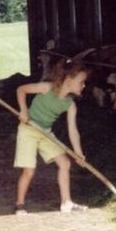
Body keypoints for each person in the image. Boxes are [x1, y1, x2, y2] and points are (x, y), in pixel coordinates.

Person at [14, 58, 90, 215]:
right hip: (28, 130)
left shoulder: (70, 104)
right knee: (29, 170)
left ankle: (66, 203)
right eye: (81, 82)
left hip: (46, 132)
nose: (84, 85)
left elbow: (72, 129)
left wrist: (78, 152)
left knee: (65, 163)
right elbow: (21, 89)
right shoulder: (46, 88)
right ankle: (19, 205)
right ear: (69, 80)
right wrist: (24, 111)